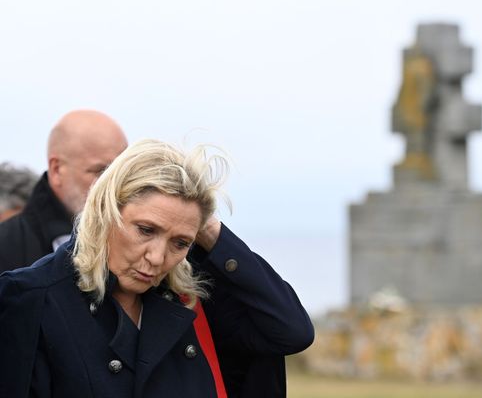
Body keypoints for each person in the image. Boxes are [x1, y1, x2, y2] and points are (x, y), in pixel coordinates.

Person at [0, 139, 314, 397]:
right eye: (146, 230)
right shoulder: (31, 296)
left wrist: (211, 232)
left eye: (180, 243)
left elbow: (291, 331)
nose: (156, 257)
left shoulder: (187, 299)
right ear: (106, 210)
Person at [0, 109, 128, 273]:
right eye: (100, 171)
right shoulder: (7, 248)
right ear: (57, 169)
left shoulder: (140, 242)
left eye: (121, 173)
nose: (113, 186)